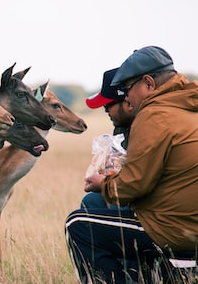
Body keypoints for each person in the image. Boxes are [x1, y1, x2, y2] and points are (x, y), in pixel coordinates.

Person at [65, 46, 198, 284]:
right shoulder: (188, 106)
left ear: (148, 83)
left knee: (78, 224)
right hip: (186, 222)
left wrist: (101, 183)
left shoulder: (154, 114)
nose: (126, 97)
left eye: (127, 89)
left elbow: (133, 185)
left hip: (175, 231)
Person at [82, 67, 135, 209]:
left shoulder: (150, 126)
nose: (106, 111)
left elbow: (140, 180)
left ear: (128, 102)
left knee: (116, 203)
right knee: (91, 201)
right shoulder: (122, 127)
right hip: (131, 190)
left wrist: (105, 184)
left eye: (108, 105)